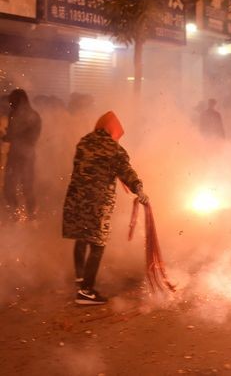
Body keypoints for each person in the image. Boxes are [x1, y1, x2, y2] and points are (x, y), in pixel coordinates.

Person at [62, 111, 149, 305]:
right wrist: (139, 189)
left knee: (82, 237)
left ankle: (80, 279)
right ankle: (86, 291)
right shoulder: (113, 149)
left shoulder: (84, 142)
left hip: (75, 198)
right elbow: (126, 171)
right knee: (97, 243)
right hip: (97, 202)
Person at [3, 89, 42, 220]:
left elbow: (31, 138)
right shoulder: (15, 114)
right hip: (17, 155)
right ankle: (17, 215)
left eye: (12, 102)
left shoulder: (31, 116)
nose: (11, 104)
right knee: (13, 187)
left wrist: (10, 136)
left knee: (25, 186)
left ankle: (29, 215)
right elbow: (12, 136)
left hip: (25, 156)